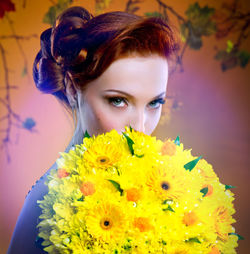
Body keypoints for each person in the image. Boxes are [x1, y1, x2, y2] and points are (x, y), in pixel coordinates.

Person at [8, 6, 177, 253]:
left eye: (154, 103)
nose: (140, 130)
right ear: (72, 89)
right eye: (118, 101)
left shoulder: (158, 190)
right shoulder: (49, 205)